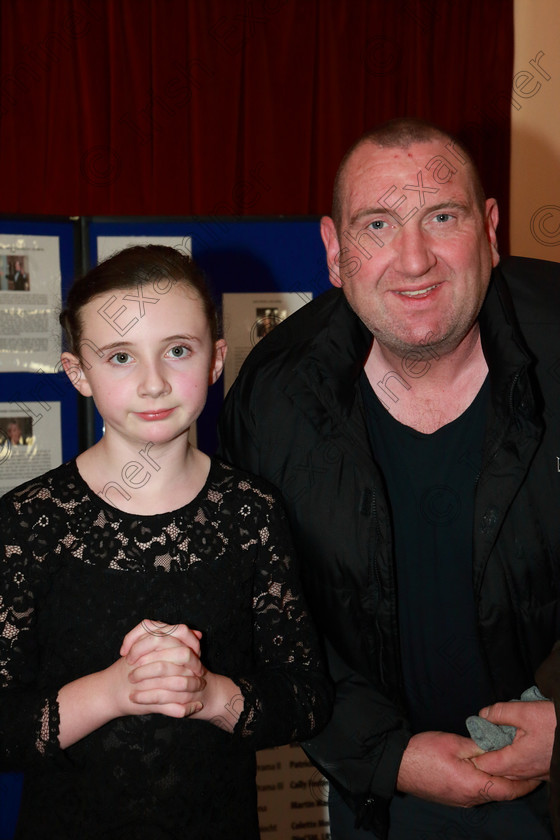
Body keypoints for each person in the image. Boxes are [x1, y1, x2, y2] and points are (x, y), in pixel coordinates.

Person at [218, 118, 560, 839]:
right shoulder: (275, 400)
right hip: (383, 796)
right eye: (378, 224)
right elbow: (260, 616)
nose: (413, 260)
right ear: (335, 252)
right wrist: (386, 758)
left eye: (442, 216)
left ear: (491, 230)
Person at [0, 244, 332, 839]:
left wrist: (208, 695)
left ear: (215, 359)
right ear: (79, 373)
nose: (154, 384)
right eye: (121, 357)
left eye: (177, 351)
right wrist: (112, 692)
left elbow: (306, 700)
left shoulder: (252, 512)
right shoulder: (28, 523)